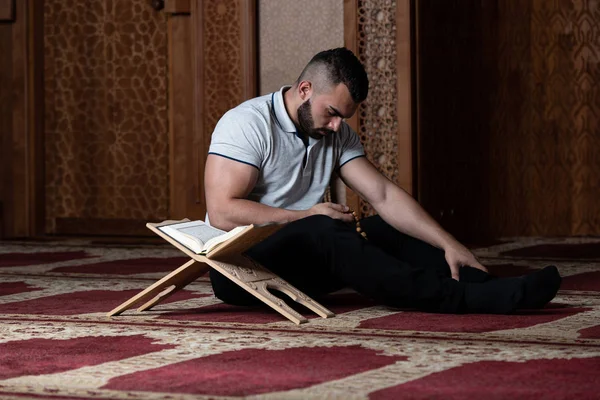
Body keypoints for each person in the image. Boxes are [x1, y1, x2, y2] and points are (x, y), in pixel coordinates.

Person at [203, 47, 561, 314]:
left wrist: (448, 242)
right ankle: (464, 299)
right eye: (332, 114)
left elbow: (384, 195)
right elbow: (222, 211)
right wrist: (305, 217)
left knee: (386, 229)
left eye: (344, 118)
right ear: (305, 89)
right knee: (325, 229)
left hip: (303, 262)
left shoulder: (335, 132)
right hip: (240, 270)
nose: (337, 127)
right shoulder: (247, 123)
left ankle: (483, 282)